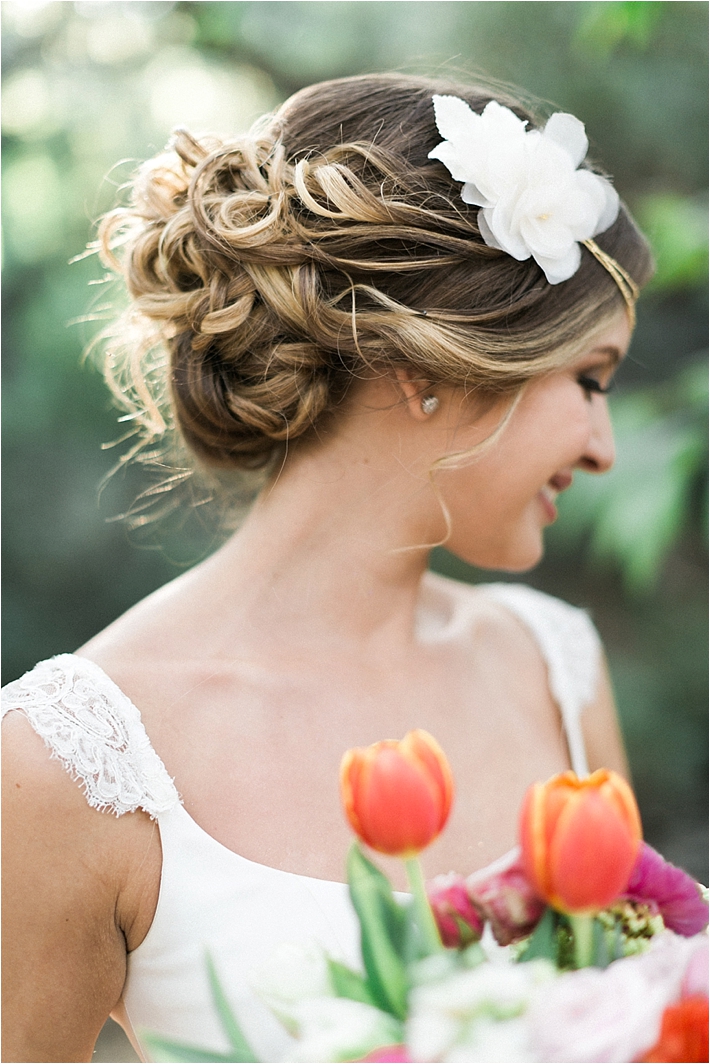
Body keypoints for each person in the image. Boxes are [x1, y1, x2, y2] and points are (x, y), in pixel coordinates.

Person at [2, 73, 653, 1063]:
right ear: (430, 361)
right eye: (588, 379)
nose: (603, 445)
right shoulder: (62, 766)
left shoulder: (551, 664)